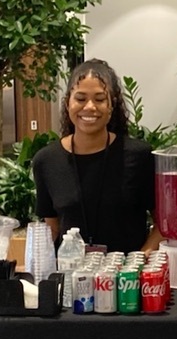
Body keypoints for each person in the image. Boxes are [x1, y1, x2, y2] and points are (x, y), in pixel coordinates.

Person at [32, 59, 162, 253]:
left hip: (128, 271)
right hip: (70, 270)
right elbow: (52, 229)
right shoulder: (46, 161)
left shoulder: (140, 157)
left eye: (100, 99)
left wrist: (141, 259)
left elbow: (163, 224)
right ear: (67, 103)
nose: (90, 107)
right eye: (80, 99)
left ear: (111, 105)